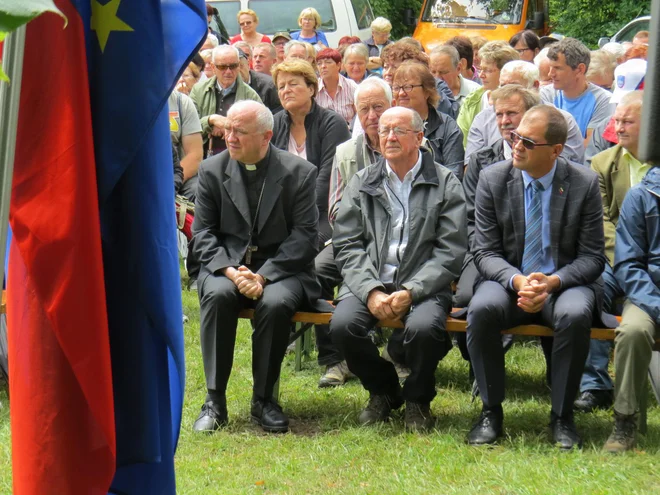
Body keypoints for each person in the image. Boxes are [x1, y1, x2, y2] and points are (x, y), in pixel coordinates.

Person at [466, 105, 611, 450]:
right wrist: (518, 281)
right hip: (509, 280)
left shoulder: (583, 182)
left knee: (575, 315)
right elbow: (484, 251)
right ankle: (490, 412)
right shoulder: (493, 178)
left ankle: (563, 417)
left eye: (528, 142)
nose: (516, 145)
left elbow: (593, 257)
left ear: (556, 150)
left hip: (564, 282)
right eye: (515, 136)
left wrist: (552, 282)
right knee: (482, 308)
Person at [330, 107, 467, 431]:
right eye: (384, 130)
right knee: (342, 325)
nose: (389, 137)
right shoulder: (364, 181)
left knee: (424, 329)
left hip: (423, 285)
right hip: (370, 280)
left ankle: (418, 399)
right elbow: (347, 243)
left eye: (398, 131)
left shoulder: (445, 182)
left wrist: (412, 290)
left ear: (419, 138)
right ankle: (383, 389)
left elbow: (451, 250)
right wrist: (370, 290)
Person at [190, 101, 321, 434]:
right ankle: (214, 400)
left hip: (282, 268)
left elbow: (305, 237)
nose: (230, 137)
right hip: (226, 268)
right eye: (228, 129)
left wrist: (263, 275)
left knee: (275, 302)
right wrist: (233, 272)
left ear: (266, 137)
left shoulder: (300, 173)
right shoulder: (211, 170)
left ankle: (264, 400)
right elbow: (203, 233)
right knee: (218, 296)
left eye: (240, 132)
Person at [317, 78, 394, 388]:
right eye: (365, 109)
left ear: (392, 108)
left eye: (379, 107)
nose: (373, 115)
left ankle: (397, 353)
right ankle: (335, 359)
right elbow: (335, 208)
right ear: (356, 113)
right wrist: (363, 234)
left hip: (399, 242)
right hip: (353, 241)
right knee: (316, 273)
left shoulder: (416, 144)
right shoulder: (345, 151)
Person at [575, 91, 647, 414]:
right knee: (592, 290)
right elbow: (601, 220)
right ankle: (594, 384)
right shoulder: (602, 163)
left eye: (627, 121)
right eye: (616, 120)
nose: (618, 127)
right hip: (615, 257)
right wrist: (626, 262)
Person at [605, 165, 660, 453]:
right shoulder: (641, 196)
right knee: (632, 331)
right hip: (649, 293)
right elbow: (627, 265)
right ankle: (624, 420)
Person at [271, 59, 351, 246]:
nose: (286, 90)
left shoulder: (332, 123)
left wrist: (297, 215)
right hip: (282, 212)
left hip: (323, 211)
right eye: (281, 86)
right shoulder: (274, 124)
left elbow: (326, 178)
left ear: (311, 89)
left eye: (293, 84)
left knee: (301, 246)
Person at [464, 60, 585, 165]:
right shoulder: (483, 119)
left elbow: (570, 170)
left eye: (514, 86)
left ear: (535, 86)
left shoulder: (562, 120)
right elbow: (472, 166)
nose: (507, 92)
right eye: (502, 86)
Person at [392, 61, 464, 179]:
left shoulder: (447, 127)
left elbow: (453, 175)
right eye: (396, 87)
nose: (401, 93)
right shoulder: (387, 126)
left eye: (408, 87)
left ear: (427, 91)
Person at [189, 45, 262, 156]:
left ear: (238, 66)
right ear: (213, 67)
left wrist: (227, 127)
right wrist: (210, 120)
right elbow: (188, 128)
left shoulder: (250, 96)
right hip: (204, 155)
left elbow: (259, 130)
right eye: (222, 67)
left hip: (239, 157)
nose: (228, 71)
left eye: (233, 66)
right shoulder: (198, 90)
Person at [541, 38, 615, 144]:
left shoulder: (603, 100)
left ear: (580, 69)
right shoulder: (546, 94)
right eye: (550, 68)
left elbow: (591, 147)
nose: (550, 74)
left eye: (557, 68)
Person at [457, 41, 519, 146]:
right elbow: (462, 140)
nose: (481, 75)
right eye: (481, 69)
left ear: (505, 71)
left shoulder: (520, 102)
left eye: (488, 71)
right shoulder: (471, 100)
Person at [381, 41, 459, 120]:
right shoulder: (379, 90)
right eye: (386, 67)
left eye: (394, 67)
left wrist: (428, 78)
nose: (388, 73)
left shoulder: (438, 85)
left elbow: (450, 113)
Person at [168, 89, 203, 202]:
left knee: (198, 190)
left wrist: (171, 183)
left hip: (179, 172)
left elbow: (195, 155)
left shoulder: (182, 102)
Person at [315, 48, 358, 127]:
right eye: (319, 63)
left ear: (339, 65)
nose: (323, 66)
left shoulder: (352, 87)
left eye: (328, 62)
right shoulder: (313, 89)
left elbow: (359, 115)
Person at [237, 48, 282, 114]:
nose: (237, 71)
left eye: (240, 66)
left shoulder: (269, 86)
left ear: (248, 65)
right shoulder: (221, 86)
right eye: (232, 67)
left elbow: (279, 114)